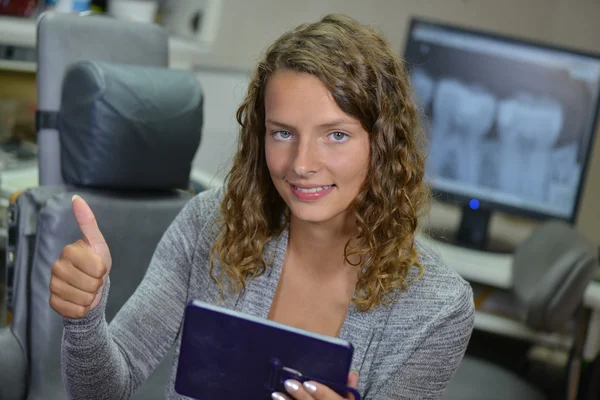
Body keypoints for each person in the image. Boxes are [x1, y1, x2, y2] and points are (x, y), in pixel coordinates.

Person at [49, 13, 475, 400]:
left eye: (337, 135)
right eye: (283, 133)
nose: (302, 165)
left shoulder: (437, 308)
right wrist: (84, 317)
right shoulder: (209, 224)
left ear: (382, 144)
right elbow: (103, 390)